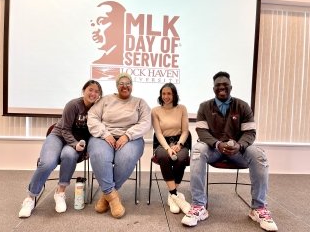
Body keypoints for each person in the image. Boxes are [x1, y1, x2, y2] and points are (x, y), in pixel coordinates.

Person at [181, 71, 278, 231]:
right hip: (214, 149)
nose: (221, 88)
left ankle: (258, 208)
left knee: (259, 154)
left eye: (225, 85)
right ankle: (199, 207)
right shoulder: (204, 107)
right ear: (213, 89)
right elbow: (202, 132)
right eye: (218, 85)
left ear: (231, 87)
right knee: (198, 149)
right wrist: (218, 144)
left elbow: (250, 133)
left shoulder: (243, 106)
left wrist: (239, 145)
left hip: (238, 150)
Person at [18, 80, 103, 218]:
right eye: (90, 90)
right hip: (58, 137)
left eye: (97, 91)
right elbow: (65, 129)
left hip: (75, 144)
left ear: (99, 95)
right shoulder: (73, 105)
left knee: (69, 156)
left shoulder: (97, 109)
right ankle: (30, 198)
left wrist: (85, 146)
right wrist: (75, 144)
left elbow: (94, 131)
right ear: (84, 90)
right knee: (47, 163)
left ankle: (60, 192)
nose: (93, 93)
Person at [87, 72, 151, 219]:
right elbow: (92, 117)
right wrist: (105, 134)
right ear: (117, 86)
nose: (125, 86)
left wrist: (127, 135)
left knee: (126, 158)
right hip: (104, 136)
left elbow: (146, 122)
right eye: (121, 83)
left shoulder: (140, 102)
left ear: (132, 86)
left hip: (131, 139)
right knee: (98, 155)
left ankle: (106, 195)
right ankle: (113, 197)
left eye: (128, 83)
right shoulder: (105, 100)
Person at [151, 83, 191, 214]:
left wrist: (179, 145)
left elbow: (185, 131)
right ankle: (175, 195)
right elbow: (158, 133)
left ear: (174, 94)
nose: (166, 96)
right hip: (162, 143)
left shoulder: (182, 108)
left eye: (169, 93)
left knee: (182, 158)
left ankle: (171, 194)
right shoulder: (155, 110)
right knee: (163, 156)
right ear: (160, 95)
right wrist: (168, 148)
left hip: (180, 141)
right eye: (164, 93)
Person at [90, 1, 126, 80]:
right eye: (93, 24)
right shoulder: (98, 62)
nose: (95, 30)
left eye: (101, 22)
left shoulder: (125, 60)